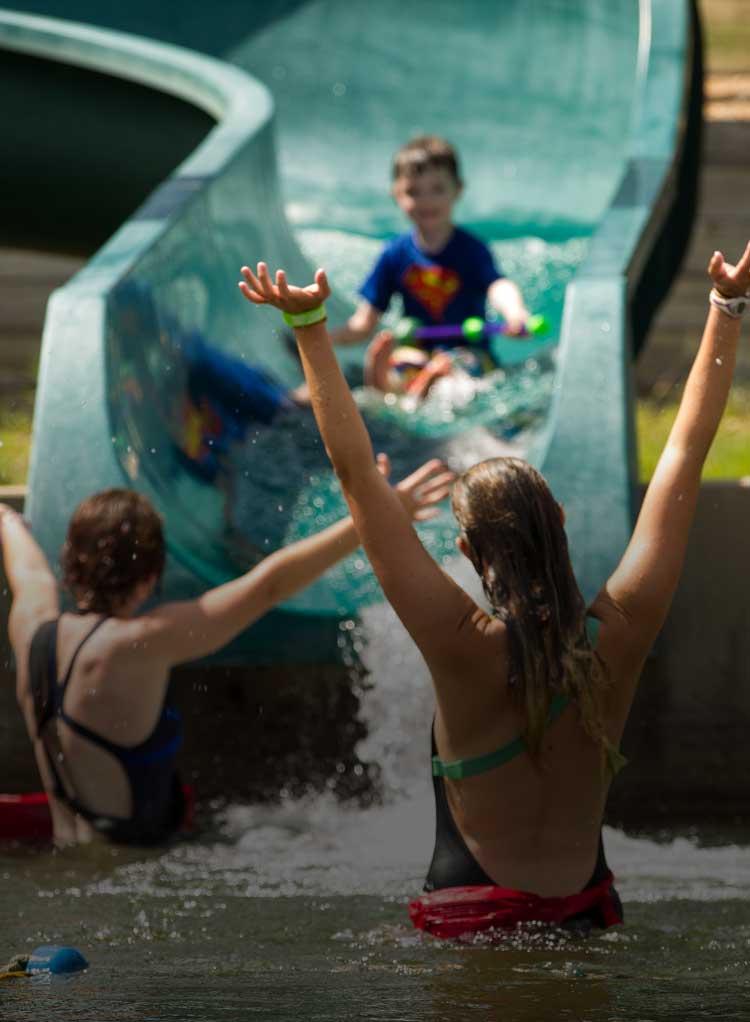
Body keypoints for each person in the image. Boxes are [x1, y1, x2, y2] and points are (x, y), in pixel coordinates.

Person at [239, 239, 750, 936]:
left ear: (467, 552)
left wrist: (309, 328)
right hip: (587, 919)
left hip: (471, 923)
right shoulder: (621, 632)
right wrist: (727, 307)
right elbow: (683, 459)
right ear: (560, 522)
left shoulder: (461, 647)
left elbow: (357, 475)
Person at [0, 458, 452, 848]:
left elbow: (23, 560)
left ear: (68, 560)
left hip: (68, 853)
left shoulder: (31, 627)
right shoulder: (143, 642)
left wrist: (7, 520)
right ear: (150, 578)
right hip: (133, 871)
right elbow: (269, 584)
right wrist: (372, 519)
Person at [328, 135, 532, 398]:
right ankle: (397, 382)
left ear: (457, 189)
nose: (426, 201)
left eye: (437, 189)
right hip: (418, 350)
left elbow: (498, 286)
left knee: (462, 377)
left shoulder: (472, 250)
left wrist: (515, 313)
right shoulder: (394, 254)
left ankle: (429, 382)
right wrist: (324, 340)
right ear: (396, 195)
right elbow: (363, 324)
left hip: (468, 352)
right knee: (403, 362)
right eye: (413, 192)